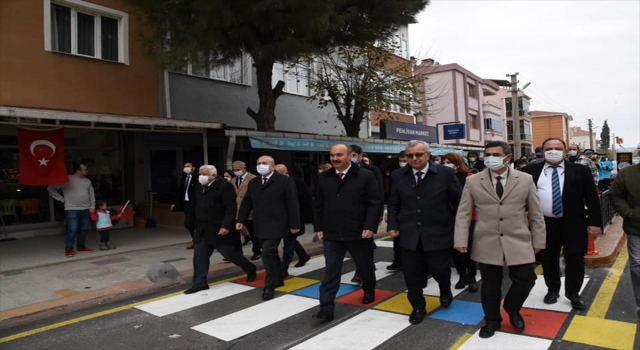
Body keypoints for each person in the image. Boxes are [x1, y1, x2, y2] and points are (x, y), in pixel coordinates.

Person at [454, 141, 546, 338]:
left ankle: (512, 308)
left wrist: (539, 241)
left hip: (518, 238)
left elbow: (536, 213)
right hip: (486, 240)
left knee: (526, 278)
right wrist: (461, 239)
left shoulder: (525, 179)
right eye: (487, 154)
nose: (490, 158)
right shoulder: (473, 181)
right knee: (490, 284)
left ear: (508, 157)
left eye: (495, 154)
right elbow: (463, 212)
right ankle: (492, 320)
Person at [387, 140, 462, 325]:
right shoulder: (398, 175)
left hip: (439, 232)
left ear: (428, 155)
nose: (414, 159)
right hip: (409, 234)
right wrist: (393, 225)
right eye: (410, 155)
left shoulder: (445, 173)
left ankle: (445, 289)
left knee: (440, 269)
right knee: (412, 274)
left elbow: (459, 202)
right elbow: (394, 203)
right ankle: (418, 306)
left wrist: (455, 227)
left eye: (418, 154)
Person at [522, 138, 602, 310]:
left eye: (557, 148)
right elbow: (521, 197)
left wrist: (594, 223)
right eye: (549, 148)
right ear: (542, 152)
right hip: (544, 223)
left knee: (575, 259)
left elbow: (592, 198)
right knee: (548, 258)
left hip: (574, 222)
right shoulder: (531, 170)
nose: (553, 151)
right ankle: (552, 289)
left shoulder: (580, 170)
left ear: (565, 151)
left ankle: (573, 293)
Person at [312, 144, 382, 322]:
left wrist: (370, 226)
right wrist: (319, 227)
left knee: (365, 267)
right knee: (331, 272)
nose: (335, 158)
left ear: (350, 156)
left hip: (359, 233)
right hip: (332, 234)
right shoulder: (324, 178)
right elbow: (318, 205)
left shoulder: (366, 176)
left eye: (339, 155)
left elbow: (374, 202)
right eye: (332, 155)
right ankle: (326, 308)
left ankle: (368, 289)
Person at [184, 165, 257, 294]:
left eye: (205, 174)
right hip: (203, 229)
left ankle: (250, 268)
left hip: (219, 228)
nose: (201, 176)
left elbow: (230, 208)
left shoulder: (224, 186)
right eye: (200, 173)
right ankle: (199, 283)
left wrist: (226, 226)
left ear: (213, 175)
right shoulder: (199, 188)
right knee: (199, 255)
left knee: (230, 254)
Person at [236, 156, 300, 301]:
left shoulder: (284, 181)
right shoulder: (254, 183)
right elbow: (247, 202)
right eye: (258, 163)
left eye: (264, 163)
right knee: (271, 253)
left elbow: (292, 203)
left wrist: (295, 224)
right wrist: (241, 220)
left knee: (267, 252)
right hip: (260, 224)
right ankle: (277, 277)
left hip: (278, 223)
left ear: (272, 166)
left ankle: (269, 285)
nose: (261, 166)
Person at [442, 152, 478, 293]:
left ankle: (472, 277)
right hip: (449, 218)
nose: (446, 165)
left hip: (468, 218)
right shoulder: (442, 178)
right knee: (455, 250)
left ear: (458, 164)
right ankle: (462, 275)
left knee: (467, 249)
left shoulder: (470, 178)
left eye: (449, 162)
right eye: (444, 163)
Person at [609, 164, 640, 316]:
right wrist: (629, 213)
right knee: (638, 265)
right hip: (636, 228)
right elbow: (614, 195)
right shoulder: (627, 174)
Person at [48, 163, 96, 257]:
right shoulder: (66, 179)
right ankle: (69, 248)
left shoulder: (87, 181)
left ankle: (81, 246)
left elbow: (91, 194)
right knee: (72, 229)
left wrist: (92, 206)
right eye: (85, 169)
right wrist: (62, 199)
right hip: (71, 209)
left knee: (83, 229)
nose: (87, 171)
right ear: (78, 170)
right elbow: (51, 188)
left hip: (85, 208)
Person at [274, 164, 312, 278]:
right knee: (290, 241)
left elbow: (306, 201)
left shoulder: (297, 183)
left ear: (286, 172)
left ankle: (283, 269)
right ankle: (303, 256)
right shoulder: (274, 183)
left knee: (288, 244)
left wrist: (308, 219)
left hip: (295, 219)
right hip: (279, 219)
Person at [387, 150, 409, 271]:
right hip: (400, 212)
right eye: (401, 161)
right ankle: (398, 261)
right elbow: (393, 197)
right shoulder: (396, 174)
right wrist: (391, 217)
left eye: (405, 161)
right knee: (397, 239)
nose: (403, 163)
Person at [231, 161, 258, 253]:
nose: (236, 171)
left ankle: (257, 251)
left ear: (244, 169)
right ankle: (237, 253)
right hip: (237, 210)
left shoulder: (253, 178)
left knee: (253, 232)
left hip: (250, 210)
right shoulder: (233, 180)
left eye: (238, 170)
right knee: (235, 234)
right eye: (234, 170)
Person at [171, 162, 198, 249]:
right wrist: (175, 203)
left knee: (194, 222)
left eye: (188, 166)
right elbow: (180, 191)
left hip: (195, 204)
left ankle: (198, 240)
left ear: (193, 168)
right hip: (187, 203)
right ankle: (196, 239)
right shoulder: (184, 178)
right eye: (185, 166)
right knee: (188, 223)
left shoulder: (197, 178)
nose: (186, 168)